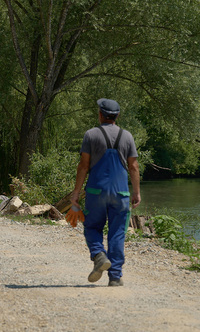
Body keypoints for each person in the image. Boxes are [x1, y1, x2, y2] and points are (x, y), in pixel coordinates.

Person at [69, 98, 141, 287]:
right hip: (121, 194)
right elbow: (133, 166)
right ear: (117, 116)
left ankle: (99, 255)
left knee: (92, 227)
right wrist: (136, 192)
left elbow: (83, 166)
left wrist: (76, 192)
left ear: (100, 114)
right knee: (117, 233)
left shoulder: (91, 135)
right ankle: (115, 277)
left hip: (96, 191)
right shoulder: (127, 136)